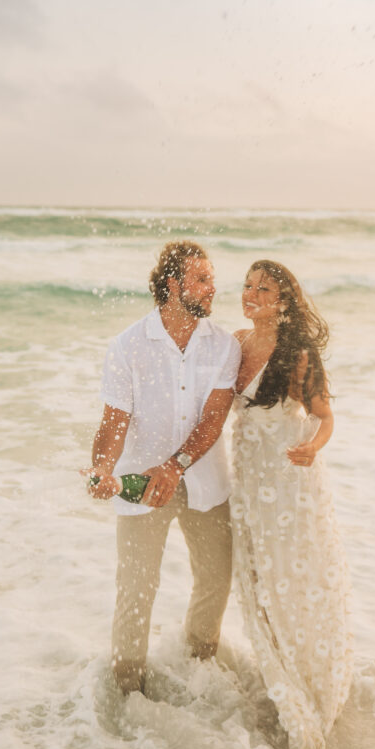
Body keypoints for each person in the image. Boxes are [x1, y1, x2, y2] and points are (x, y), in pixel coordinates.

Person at [86, 241, 241, 694]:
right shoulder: (128, 346)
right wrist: (102, 469)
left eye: (211, 278)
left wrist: (175, 466)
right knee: (135, 590)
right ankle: (127, 688)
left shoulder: (224, 345)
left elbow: (214, 417)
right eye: (202, 279)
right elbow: (114, 421)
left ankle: (199, 664)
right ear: (173, 285)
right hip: (141, 484)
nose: (213, 288)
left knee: (215, 579)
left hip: (207, 481)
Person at [230, 260, 353, 749]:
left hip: (288, 488)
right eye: (247, 285)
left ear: (284, 303)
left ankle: (305, 686)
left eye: (264, 289)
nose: (252, 294)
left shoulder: (297, 354)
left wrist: (314, 447)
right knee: (258, 581)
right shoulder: (237, 343)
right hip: (247, 486)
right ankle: (277, 676)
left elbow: (324, 418)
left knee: (291, 581)